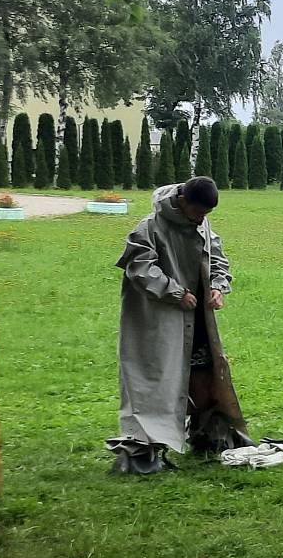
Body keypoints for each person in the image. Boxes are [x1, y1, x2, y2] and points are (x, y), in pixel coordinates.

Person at [107, 176, 252, 473]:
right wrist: (175, 292)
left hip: (197, 318)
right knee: (156, 379)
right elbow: (140, 268)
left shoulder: (202, 224)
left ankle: (209, 435)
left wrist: (217, 286)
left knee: (205, 375)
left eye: (206, 215)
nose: (201, 219)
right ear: (183, 201)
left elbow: (216, 257)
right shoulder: (149, 227)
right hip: (158, 321)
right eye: (198, 212)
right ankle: (143, 451)